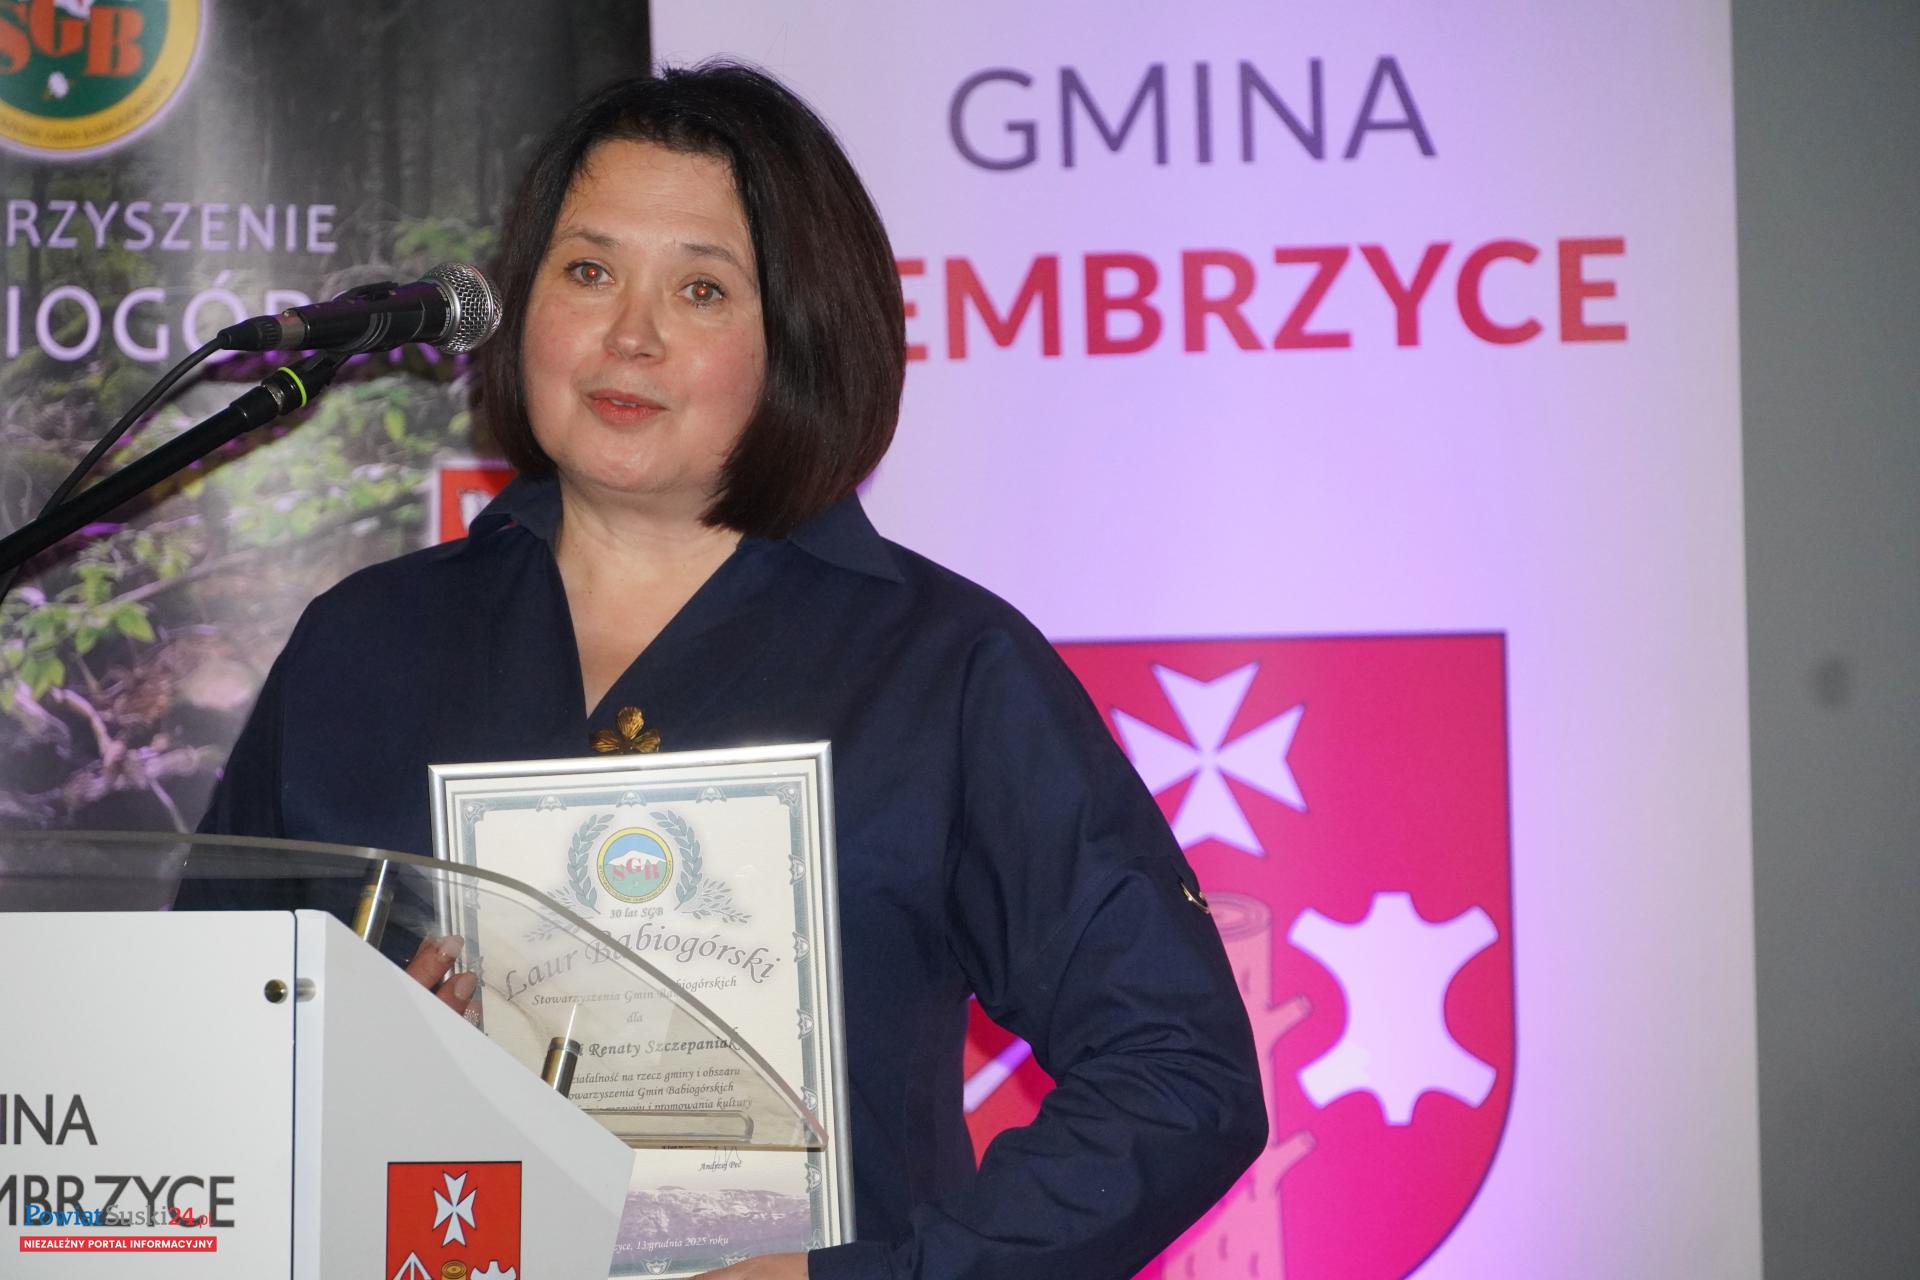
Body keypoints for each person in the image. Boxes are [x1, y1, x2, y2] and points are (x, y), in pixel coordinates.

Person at [200, 62, 1265, 1280]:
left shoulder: (940, 665)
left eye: (701, 288)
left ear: (799, 337)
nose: (630, 333)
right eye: (587, 271)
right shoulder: (363, 648)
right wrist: (355, 1084)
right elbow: (206, 1066)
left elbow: (1180, 1074)